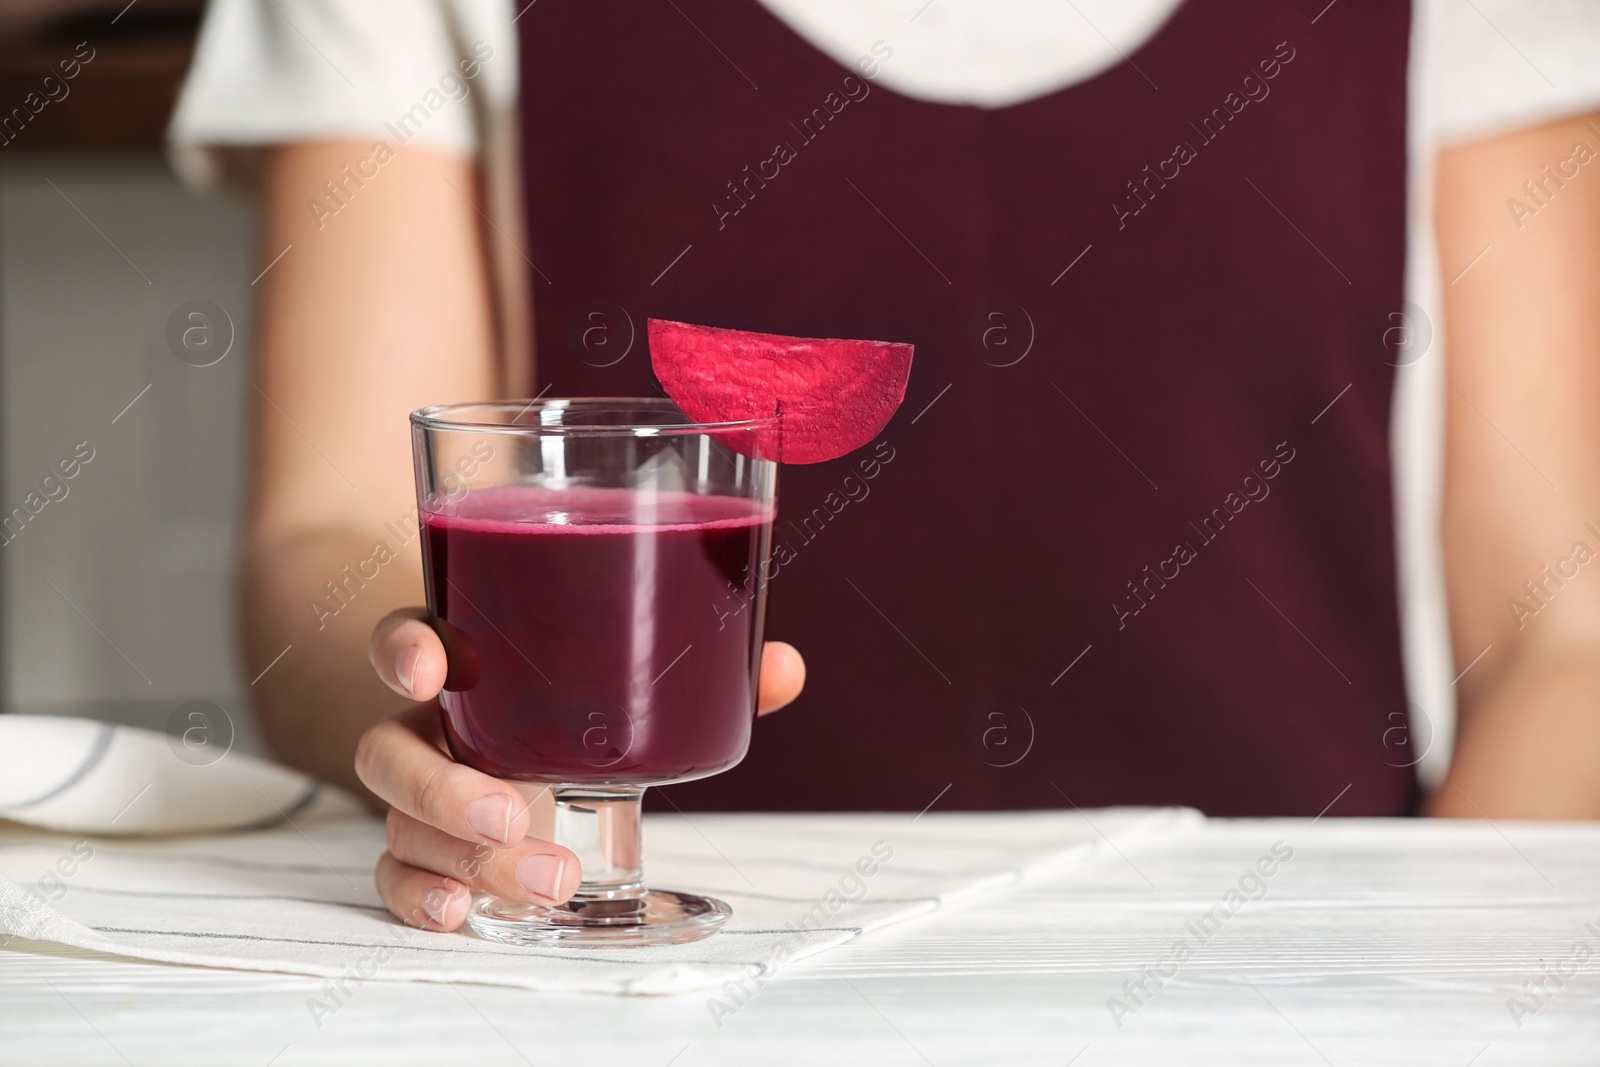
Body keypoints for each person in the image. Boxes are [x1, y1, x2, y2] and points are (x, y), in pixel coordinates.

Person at [169, 0, 1600, 931]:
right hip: (642, 998)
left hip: (1296, 974)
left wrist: (1405, 986)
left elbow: (1567, 637)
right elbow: (337, 532)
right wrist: (451, 756)